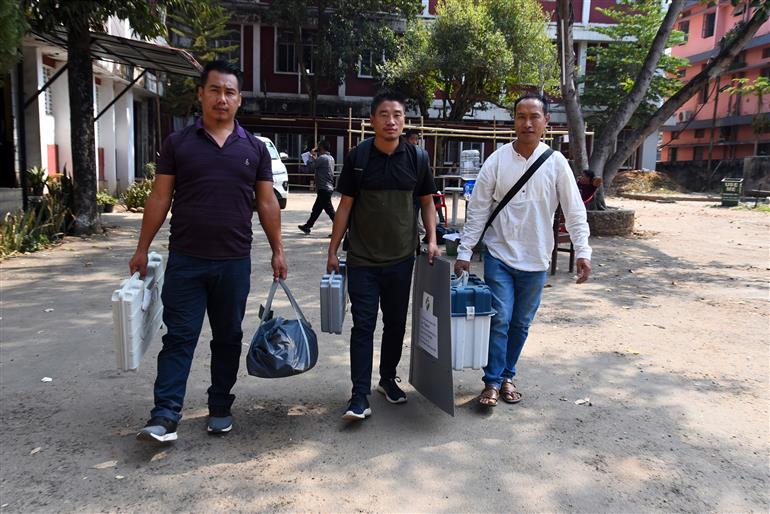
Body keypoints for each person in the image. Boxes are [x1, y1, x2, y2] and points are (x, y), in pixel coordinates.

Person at [129, 60, 287, 443]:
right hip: (186, 260)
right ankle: (165, 415)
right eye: (214, 90)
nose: (222, 98)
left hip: (234, 262)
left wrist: (278, 251)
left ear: (239, 99)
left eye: (229, 92)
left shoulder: (253, 148)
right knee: (179, 337)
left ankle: (220, 406)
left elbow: (266, 203)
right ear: (201, 94)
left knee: (228, 337)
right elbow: (160, 196)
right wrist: (142, 247)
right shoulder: (178, 143)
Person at [454, 93, 592, 407]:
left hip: (537, 257)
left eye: (534, 117)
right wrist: (464, 252)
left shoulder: (556, 163)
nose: (527, 123)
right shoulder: (497, 160)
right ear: (514, 121)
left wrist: (583, 251)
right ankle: (490, 383)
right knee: (500, 318)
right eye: (520, 116)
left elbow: (574, 211)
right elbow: (477, 210)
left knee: (520, 323)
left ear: (546, 123)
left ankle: (507, 376)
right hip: (499, 254)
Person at [326, 90, 440, 421]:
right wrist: (332, 250)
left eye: (398, 115)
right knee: (363, 325)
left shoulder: (417, 158)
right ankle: (358, 395)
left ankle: (387, 380)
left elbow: (427, 202)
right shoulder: (358, 157)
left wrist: (432, 239)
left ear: (404, 121)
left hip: (401, 259)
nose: (391, 121)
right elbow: (344, 206)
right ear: (373, 120)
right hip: (362, 260)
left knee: (394, 324)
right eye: (384, 115)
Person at [298, 139, 336, 234]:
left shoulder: (322, 158)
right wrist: (314, 157)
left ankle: (340, 229)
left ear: (322, 147)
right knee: (317, 209)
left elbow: (311, 167)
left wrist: (310, 156)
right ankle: (308, 226)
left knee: (330, 211)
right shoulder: (330, 158)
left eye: (319, 146)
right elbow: (319, 165)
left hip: (324, 188)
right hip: (327, 188)